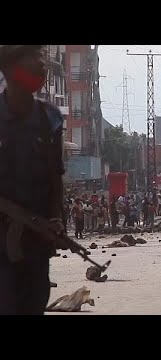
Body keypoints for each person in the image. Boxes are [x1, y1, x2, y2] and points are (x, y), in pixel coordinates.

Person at [0, 45, 67, 314]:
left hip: (37, 242)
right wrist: (22, 216)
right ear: (8, 68)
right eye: (33, 57)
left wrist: (54, 221)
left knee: (33, 303)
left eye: (42, 57)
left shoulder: (49, 118)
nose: (42, 65)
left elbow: (56, 177)